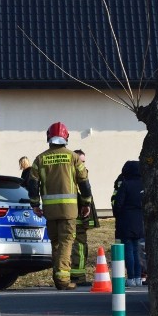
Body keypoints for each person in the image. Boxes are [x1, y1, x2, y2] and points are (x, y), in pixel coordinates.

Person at [27, 122, 93, 290]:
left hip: (49, 210)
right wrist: (86, 203)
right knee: (66, 242)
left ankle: (58, 278)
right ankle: (63, 280)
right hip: (69, 210)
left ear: (49, 137)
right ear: (66, 137)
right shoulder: (73, 157)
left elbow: (32, 184)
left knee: (55, 243)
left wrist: (35, 204)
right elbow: (84, 183)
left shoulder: (40, 159)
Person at [112, 160, 144, 287]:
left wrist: (117, 214)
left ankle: (130, 277)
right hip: (140, 220)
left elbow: (118, 203)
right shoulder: (143, 184)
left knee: (128, 250)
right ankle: (138, 277)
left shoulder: (125, 184)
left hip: (126, 220)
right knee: (137, 251)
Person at [70, 149, 99, 285]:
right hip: (77, 216)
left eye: (84, 162)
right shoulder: (74, 175)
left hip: (80, 215)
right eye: (81, 161)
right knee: (79, 247)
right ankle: (78, 278)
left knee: (80, 247)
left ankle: (76, 276)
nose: (83, 164)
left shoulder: (78, 173)